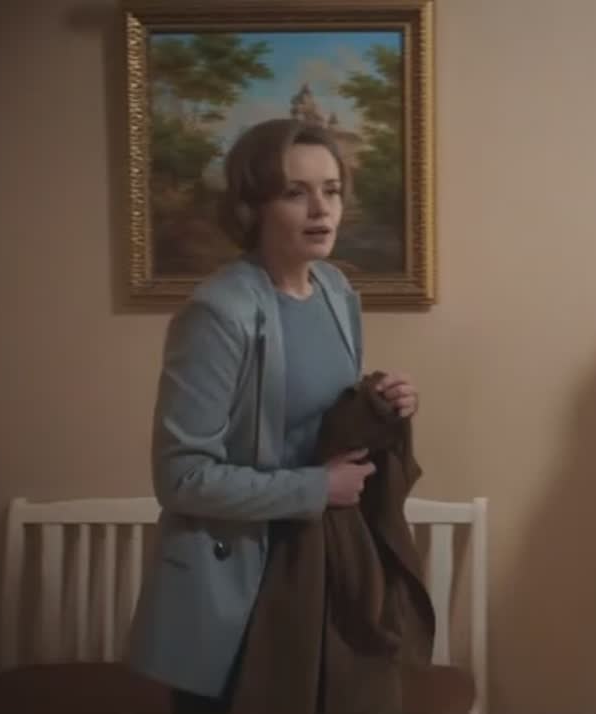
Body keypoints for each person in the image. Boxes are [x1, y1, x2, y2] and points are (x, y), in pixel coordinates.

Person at [125, 118, 420, 713]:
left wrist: (383, 401)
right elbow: (181, 477)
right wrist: (316, 488)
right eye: (294, 192)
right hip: (237, 592)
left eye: (331, 190)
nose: (321, 209)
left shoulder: (336, 291)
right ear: (252, 205)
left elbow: (312, 418)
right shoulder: (218, 312)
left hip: (322, 573)